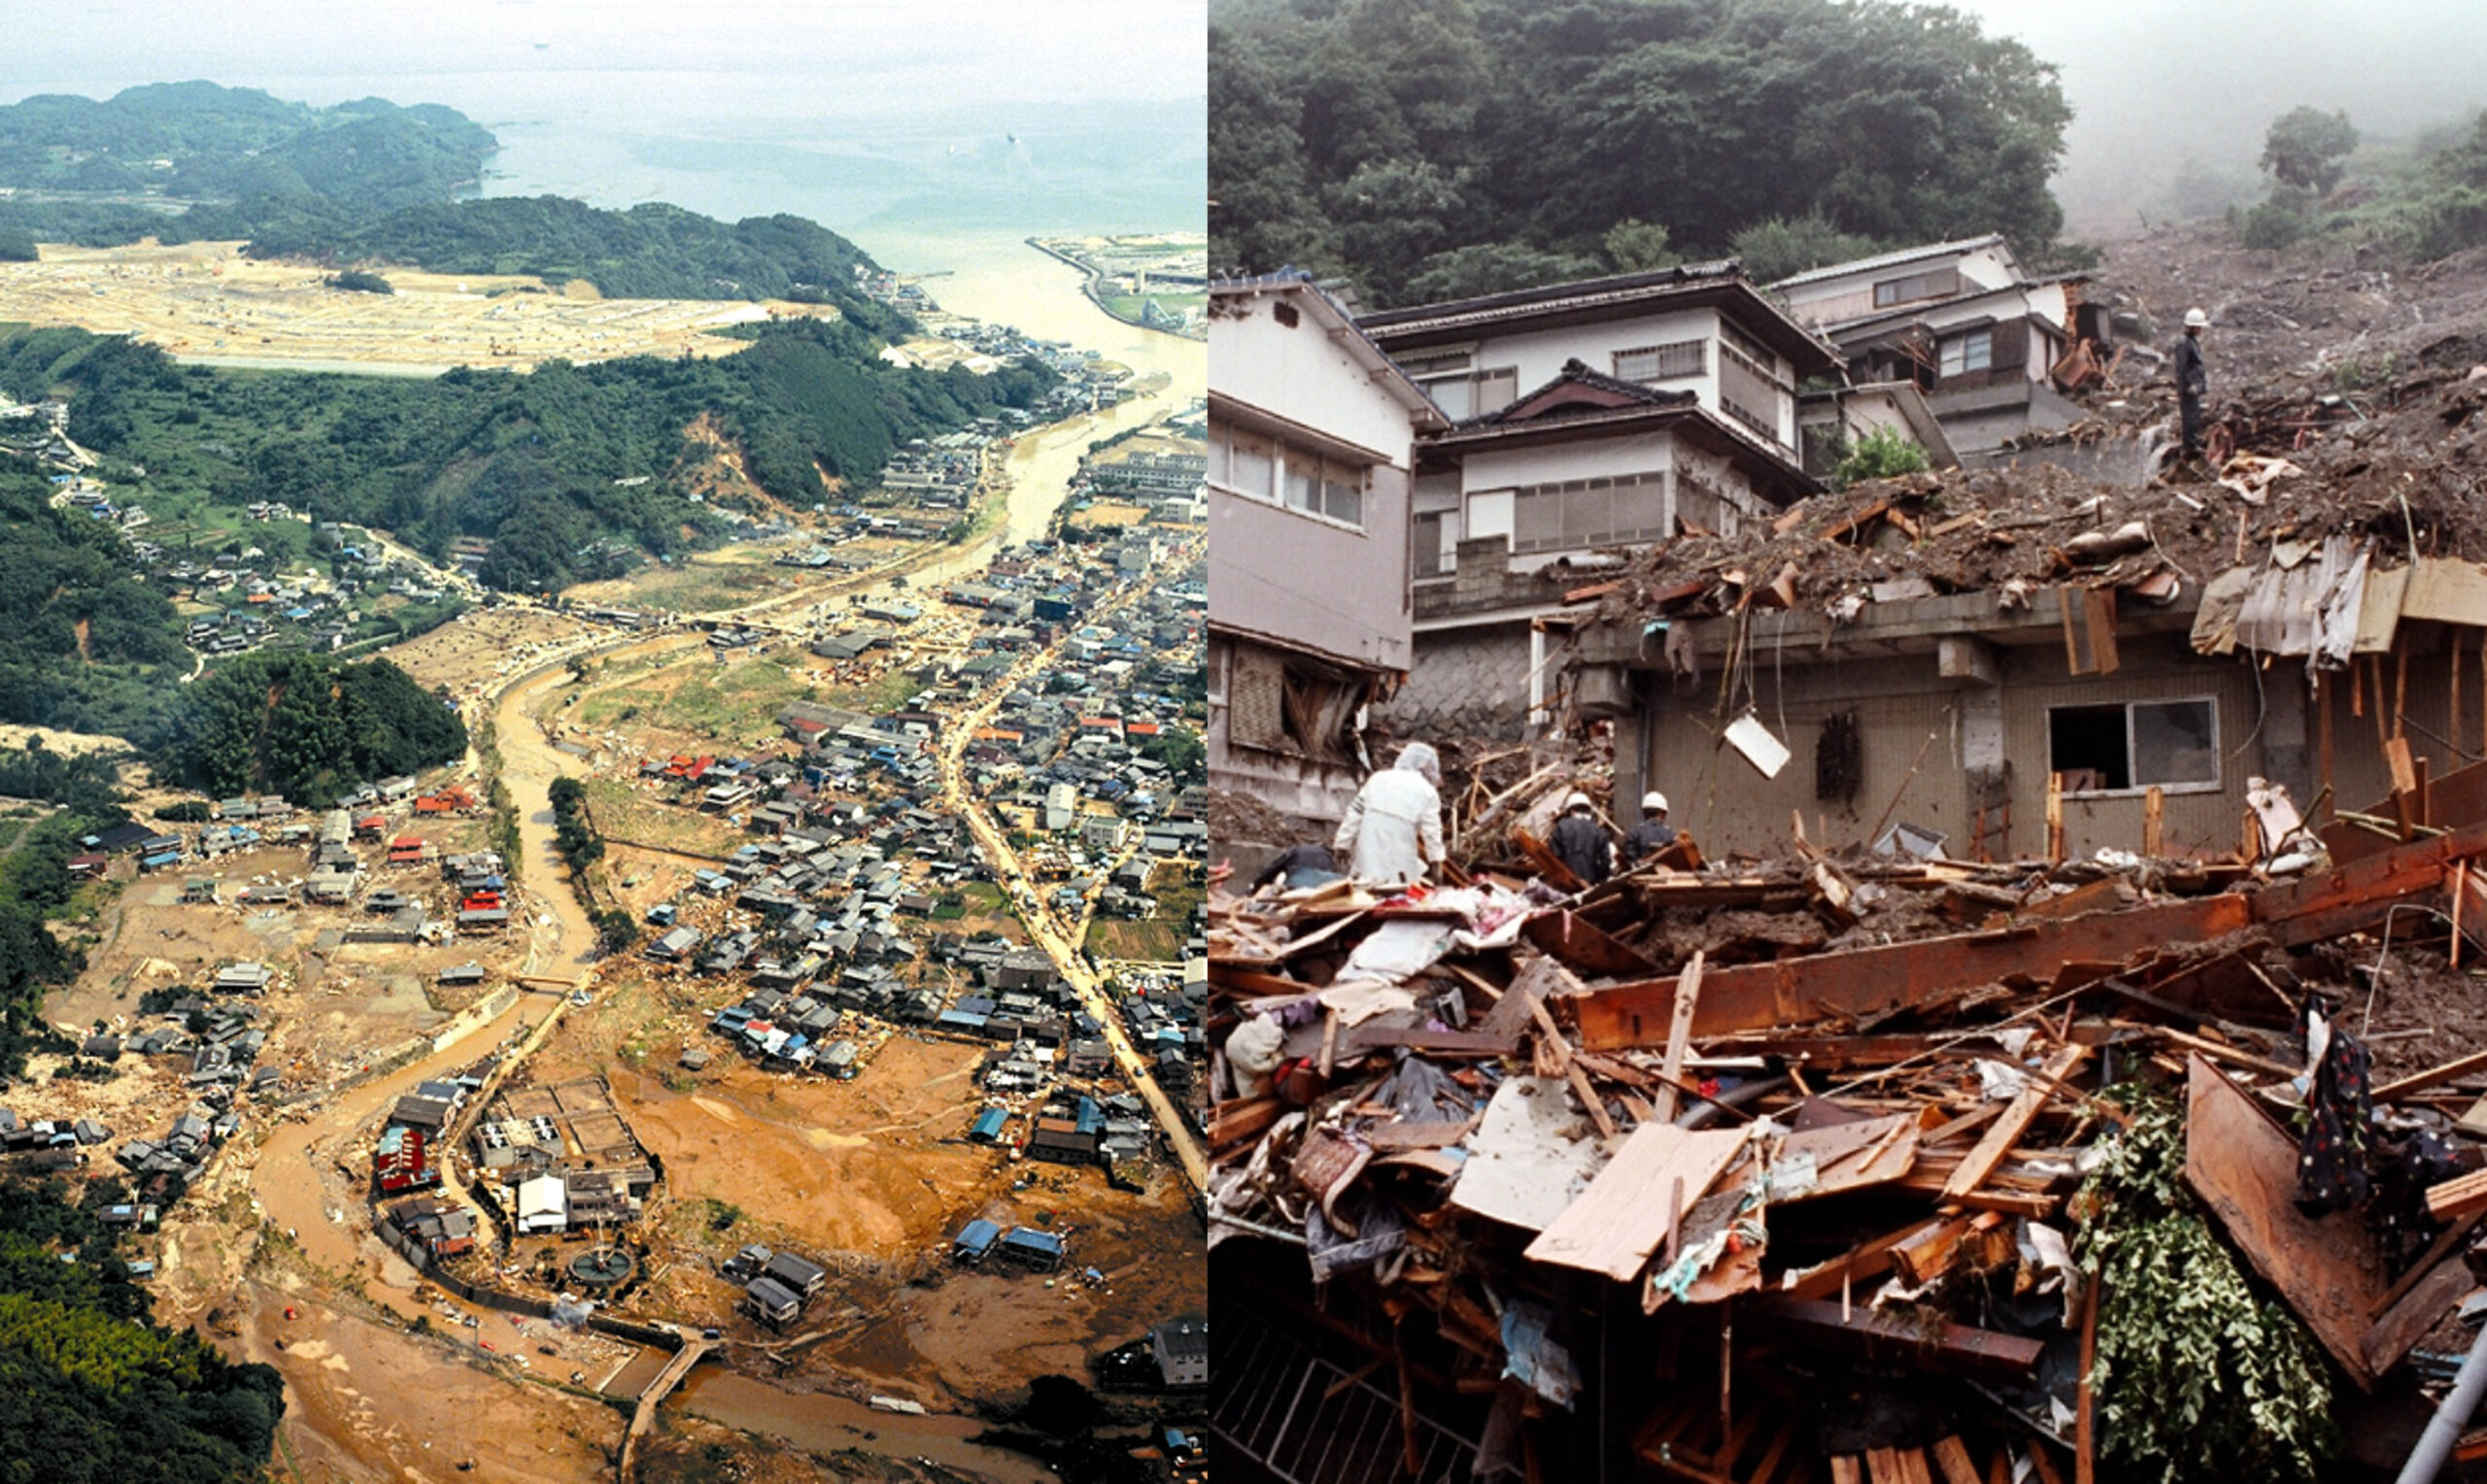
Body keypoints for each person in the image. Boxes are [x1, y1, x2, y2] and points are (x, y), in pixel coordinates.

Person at [1332, 742, 1445, 888]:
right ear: (1425, 765)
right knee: (1399, 893)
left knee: (1365, 888)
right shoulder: (1427, 791)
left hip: (1368, 847)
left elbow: (1355, 812)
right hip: (1401, 851)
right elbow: (1432, 833)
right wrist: (1437, 866)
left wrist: (1342, 843)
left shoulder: (1377, 779)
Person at [1549, 790, 1612, 888]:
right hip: (1591, 885)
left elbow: (1553, 857)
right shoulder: (1599, 831)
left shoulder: (1561, 827)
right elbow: (1605, 862)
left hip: (1566, 884)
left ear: (1571, 810)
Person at [2175, 307, 2209, 464]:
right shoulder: (2183, 343)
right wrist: (2189, 384)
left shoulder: (2191, 341)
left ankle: (2193, 443)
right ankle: (2190, 446)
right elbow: (2182, 367)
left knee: (2194, 415)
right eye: (2199, 326)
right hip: (2188, 388)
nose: (2201, 329)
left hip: (2194, 386)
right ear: (2192, 326)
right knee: (2189, 416)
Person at [1619, 792, 1677, 867]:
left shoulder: (1634, 833)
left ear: (1644, 812)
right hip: (1666, 877)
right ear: (1662, 813)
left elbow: (1629, 862)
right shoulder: (1671, 835)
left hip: (1641, 877)